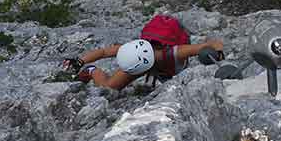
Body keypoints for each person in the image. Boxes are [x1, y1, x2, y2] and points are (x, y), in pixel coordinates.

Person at [67, 33, 226, 91]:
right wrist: (81, 61)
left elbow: (213, 43)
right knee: (109, 88)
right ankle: (91, 70)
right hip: (144, 64)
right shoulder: (132, 50)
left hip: (161, 66)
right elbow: (104, 52)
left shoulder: (177, 52)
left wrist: (218, 54)